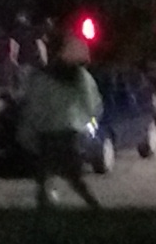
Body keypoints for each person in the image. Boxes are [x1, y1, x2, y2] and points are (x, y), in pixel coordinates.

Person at [17, 34, 105, 204]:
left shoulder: (42, 78)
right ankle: (93, 205)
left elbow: (33, 105)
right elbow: (92, 104)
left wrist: (29, 129)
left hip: (48, 132)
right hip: (67, 132)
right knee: (71, 177)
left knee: (45, 176)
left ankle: (48, 207)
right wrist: (88, 121)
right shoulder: (79, 77)